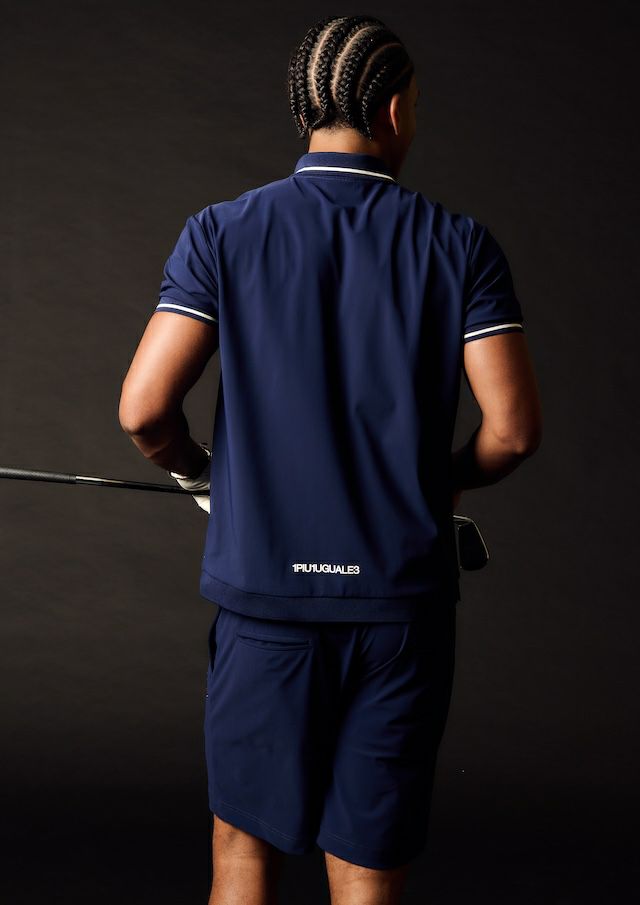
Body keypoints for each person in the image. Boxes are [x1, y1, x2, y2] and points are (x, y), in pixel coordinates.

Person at [118, 13, 542, 905]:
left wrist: (200, 471)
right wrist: (436, 484)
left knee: (243, 850)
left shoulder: (220, 231)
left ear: (306, 108)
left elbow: (144, 412)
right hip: (400, 611)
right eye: (415, 105)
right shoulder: (460, 244)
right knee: (368, 863)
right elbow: (511, 432)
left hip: (264, 609)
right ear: (392, 111)